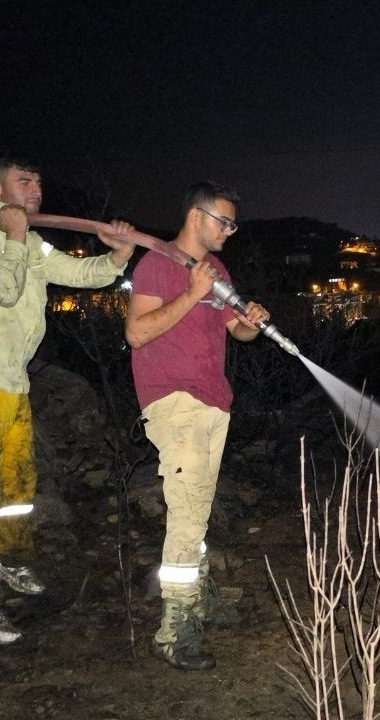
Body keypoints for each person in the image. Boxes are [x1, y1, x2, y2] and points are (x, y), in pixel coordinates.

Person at [0, 155, 134, 645]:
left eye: (39, 182)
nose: (36, 189)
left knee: (18, 486)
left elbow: (83, 275)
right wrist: (16, 236)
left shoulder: (32, 242)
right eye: (24, 181)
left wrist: (118, 257)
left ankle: (12, 562)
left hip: (12, 383)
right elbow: (3, 289)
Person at [125, 181, 269, 671]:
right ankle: (174, 629)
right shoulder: (156, 264)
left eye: (232, 224)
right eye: (223, 221)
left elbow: (239, 333)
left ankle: (196, 603)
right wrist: (190, 295)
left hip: (213, 402)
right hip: (173, 401)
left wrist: (250, 319)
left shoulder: (217, 270)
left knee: (198, 510)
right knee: (186, 514)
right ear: (195, 216)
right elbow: (137, 332)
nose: (230, 231)